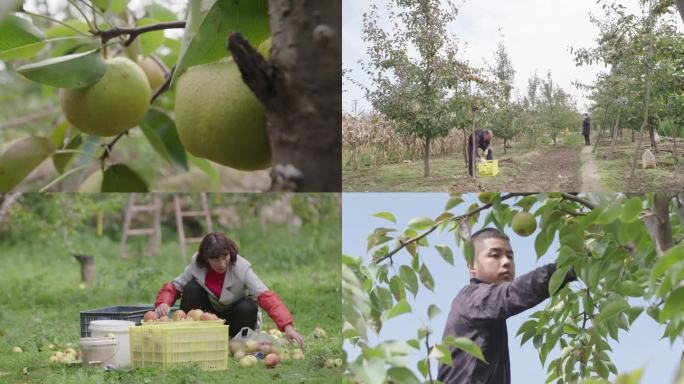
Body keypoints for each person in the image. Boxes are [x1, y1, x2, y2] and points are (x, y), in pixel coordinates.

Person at [437, 228, 576, 384]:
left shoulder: (488, 309)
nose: (506, 262)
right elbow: (513, 293)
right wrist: (564, 270)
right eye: (495, 255)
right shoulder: (472, 298)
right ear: (472, 267)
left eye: (510, 256)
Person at [154, 232, 305, 348]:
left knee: (248, 305)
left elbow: (266, 295)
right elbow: (175, 286)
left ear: (229, 253)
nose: (222, 263)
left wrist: (287, 327)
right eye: (215, 259)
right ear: (206, 258)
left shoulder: (241, 267)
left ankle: (236, 338)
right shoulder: (197, 264)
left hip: (236, 316)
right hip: (210, 315)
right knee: (191, 288)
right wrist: (163, 303)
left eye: (224, 256)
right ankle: (191, 334)